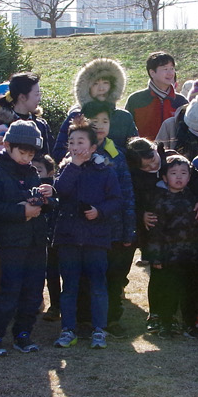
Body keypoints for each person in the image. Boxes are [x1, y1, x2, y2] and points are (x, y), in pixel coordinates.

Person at [0, 120, 55, 356]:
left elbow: (48, 206)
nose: (26, 157)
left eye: (31, 153)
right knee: (8, 292)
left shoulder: (32, 172)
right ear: (8, 145)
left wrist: (49, 198)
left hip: (36, 241)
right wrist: (21, 211)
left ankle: (23, 334)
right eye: (22, 152)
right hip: (11, 243)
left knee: (33, 291)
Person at [50, 122, 123, 349]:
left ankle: (99, 329)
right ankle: (68, 329)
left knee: (98, 285)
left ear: (93, 147)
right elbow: (60, 191)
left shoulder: (106, 170)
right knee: (69, 286)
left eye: (81, 142)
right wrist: (74, 166)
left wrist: (99, 211)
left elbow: (117, 200)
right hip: (68, 237)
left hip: (96, 238)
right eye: (71, 142)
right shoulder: (65, 168)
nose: (75, 147)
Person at [140, 153, 198, 338]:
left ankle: (191, 324)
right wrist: (156, 257)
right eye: (174, 173)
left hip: (191, 256)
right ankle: (166, 323)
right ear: (164, 177)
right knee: (168, 291)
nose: (179, 177)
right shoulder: (159, 200)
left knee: (191, 293)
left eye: (183, 173)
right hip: (168, 257)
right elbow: (155, 232)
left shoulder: (194, 199)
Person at [69, 58, 138, 143]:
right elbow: (60, 151)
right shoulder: (77, 116)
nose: (101, 88)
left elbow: (136, 149)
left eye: (106, 83)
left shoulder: (124, 117)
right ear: (87, 87)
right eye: (95, 84)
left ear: (113, 86)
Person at [124, 51, 184, 142]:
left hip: (173, 153)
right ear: (152, 73)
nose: (170, 73)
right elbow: (126, 131)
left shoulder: (181, 102)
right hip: (144, 154)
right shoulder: (136, 100)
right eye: (165, 69)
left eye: (172, 68)